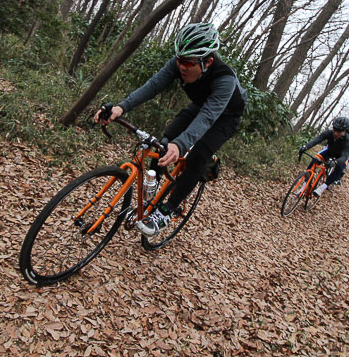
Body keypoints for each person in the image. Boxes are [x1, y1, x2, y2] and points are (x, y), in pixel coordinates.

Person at [94, 22, 247, 236]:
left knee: (198, 155)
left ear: (208, 62)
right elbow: (153, 85)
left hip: (224, 117)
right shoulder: (180, 63)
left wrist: (181, 145)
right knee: (163, 142)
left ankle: (167, 209)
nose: (181, 66)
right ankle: (153, 187)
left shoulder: (225, 80)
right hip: (201, 105)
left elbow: (207, 117)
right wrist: (121, 107)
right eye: (179, 59)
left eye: (188, 62)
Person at [298, 116, 349, 197]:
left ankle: (322, 187)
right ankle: (304, 186)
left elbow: (345, 156)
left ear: (345, 131)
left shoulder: (348, 141)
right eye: (334, 129)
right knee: (314, 160)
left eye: (339, 131)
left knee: (339, 169)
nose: (335, 133)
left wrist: (335, 162)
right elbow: (317, 140)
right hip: (329, 152)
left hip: (340, 158)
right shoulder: (329, 133)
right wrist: (306, 146)